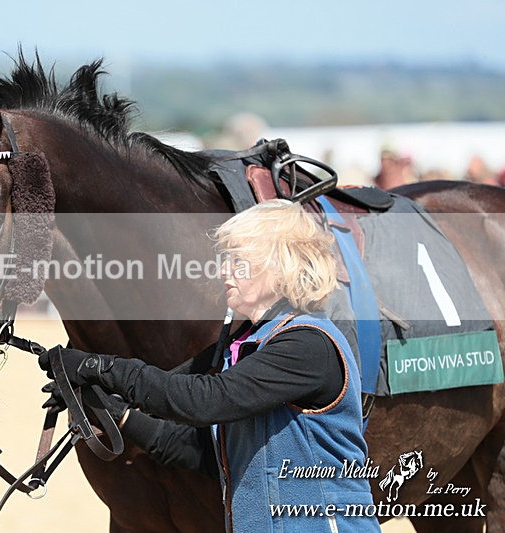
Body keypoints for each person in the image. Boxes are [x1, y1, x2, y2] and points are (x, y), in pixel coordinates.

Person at [39, 199, 380, 532]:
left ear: (281, 265)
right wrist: (115, 412)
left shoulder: (307, 344)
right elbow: (201, 452)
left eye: (239, 261)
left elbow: (201, 400)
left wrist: (97, 366)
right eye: (226, 260)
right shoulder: (249, 345)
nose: (223, 271)